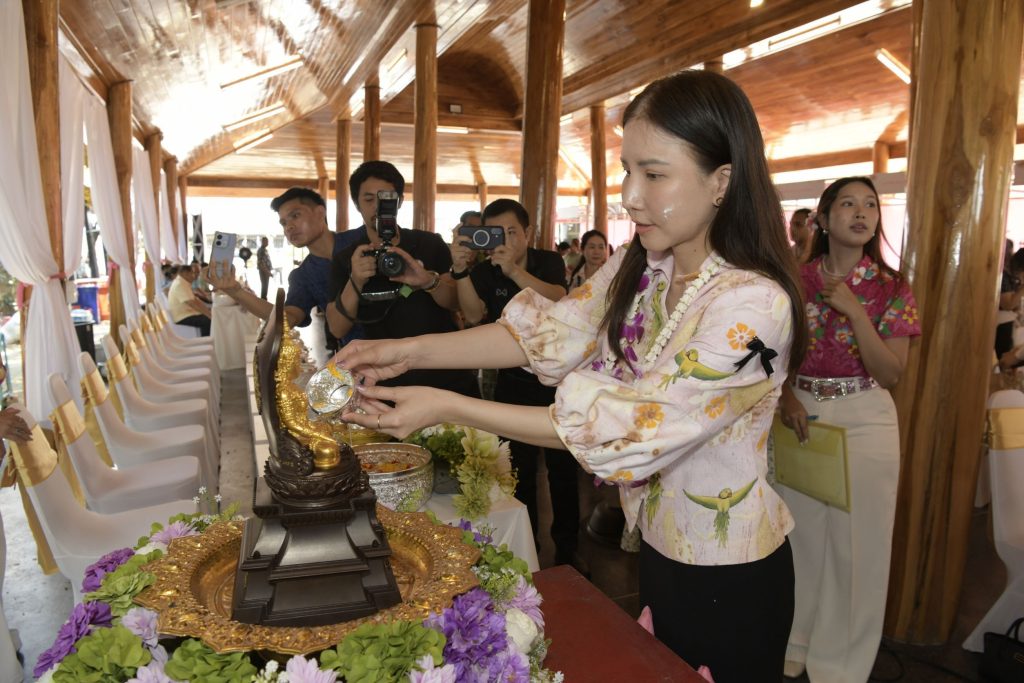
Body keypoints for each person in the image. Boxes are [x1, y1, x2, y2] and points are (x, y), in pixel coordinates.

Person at [332, 70, 807, 681]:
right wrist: (407, 351)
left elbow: (635, 424)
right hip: (658, 549)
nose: (631, 196)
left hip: (731, 570)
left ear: (722, 180)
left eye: (654, 174)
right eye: (627, 171)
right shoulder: (643, 265)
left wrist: (447, 406)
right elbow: (548, 333)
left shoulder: (752, 303)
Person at [777, 176, 920, 682]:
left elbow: (892, 373)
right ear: (822, 217)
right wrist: (786, 396)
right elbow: (773, 356)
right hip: (801, 415)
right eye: (848, 204)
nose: (861, 213)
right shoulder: (794, 280)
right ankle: (795, 643)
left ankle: (841, 665)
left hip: (864, 417)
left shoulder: (891, 287)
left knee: (858, 548)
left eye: (871, 205)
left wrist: (855, 311)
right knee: (800, 539)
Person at [451, 198, 582, 568]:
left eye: (511, 232)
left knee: (563, 473)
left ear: (528, 232)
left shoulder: (547, 260)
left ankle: (569, 550)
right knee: (518, 473)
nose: (504, 241)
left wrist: (513, 271)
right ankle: (529, 552)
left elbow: (559, 297)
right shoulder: (483, 270)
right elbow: (473, 315)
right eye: (496, 234)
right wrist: (459, 271)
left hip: (558, 383)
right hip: (511, 383)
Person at [326, 161, 478, 397]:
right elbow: (337, 328)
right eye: (368, 199)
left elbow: (455, 302)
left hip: (445, 373)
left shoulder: (429, 243)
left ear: (399, 201)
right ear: (357, 204)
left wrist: (427, 281)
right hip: (387, 380)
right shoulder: (348, 258)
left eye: (386, 198)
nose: (377, 207)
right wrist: (355, 280)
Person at [205, 187, 366, 352]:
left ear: (320, 213)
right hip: (358, 355)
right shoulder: (303, 275)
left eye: (295, 216)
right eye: (283, 223)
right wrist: (236, 291)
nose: (289, 227)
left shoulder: (362, 238)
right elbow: (287, 318)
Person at [167, 263, 211, 336]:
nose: (194, 276)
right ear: (185, 273)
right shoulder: (179, 284)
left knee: (209, 316)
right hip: (182, 316)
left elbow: (195, 300)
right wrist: (207, 314)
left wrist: (207, 311)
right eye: (192, 273)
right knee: (207, 321)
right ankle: (207, 340)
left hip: (188, 313)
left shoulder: (183, 282)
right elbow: (191, 303)